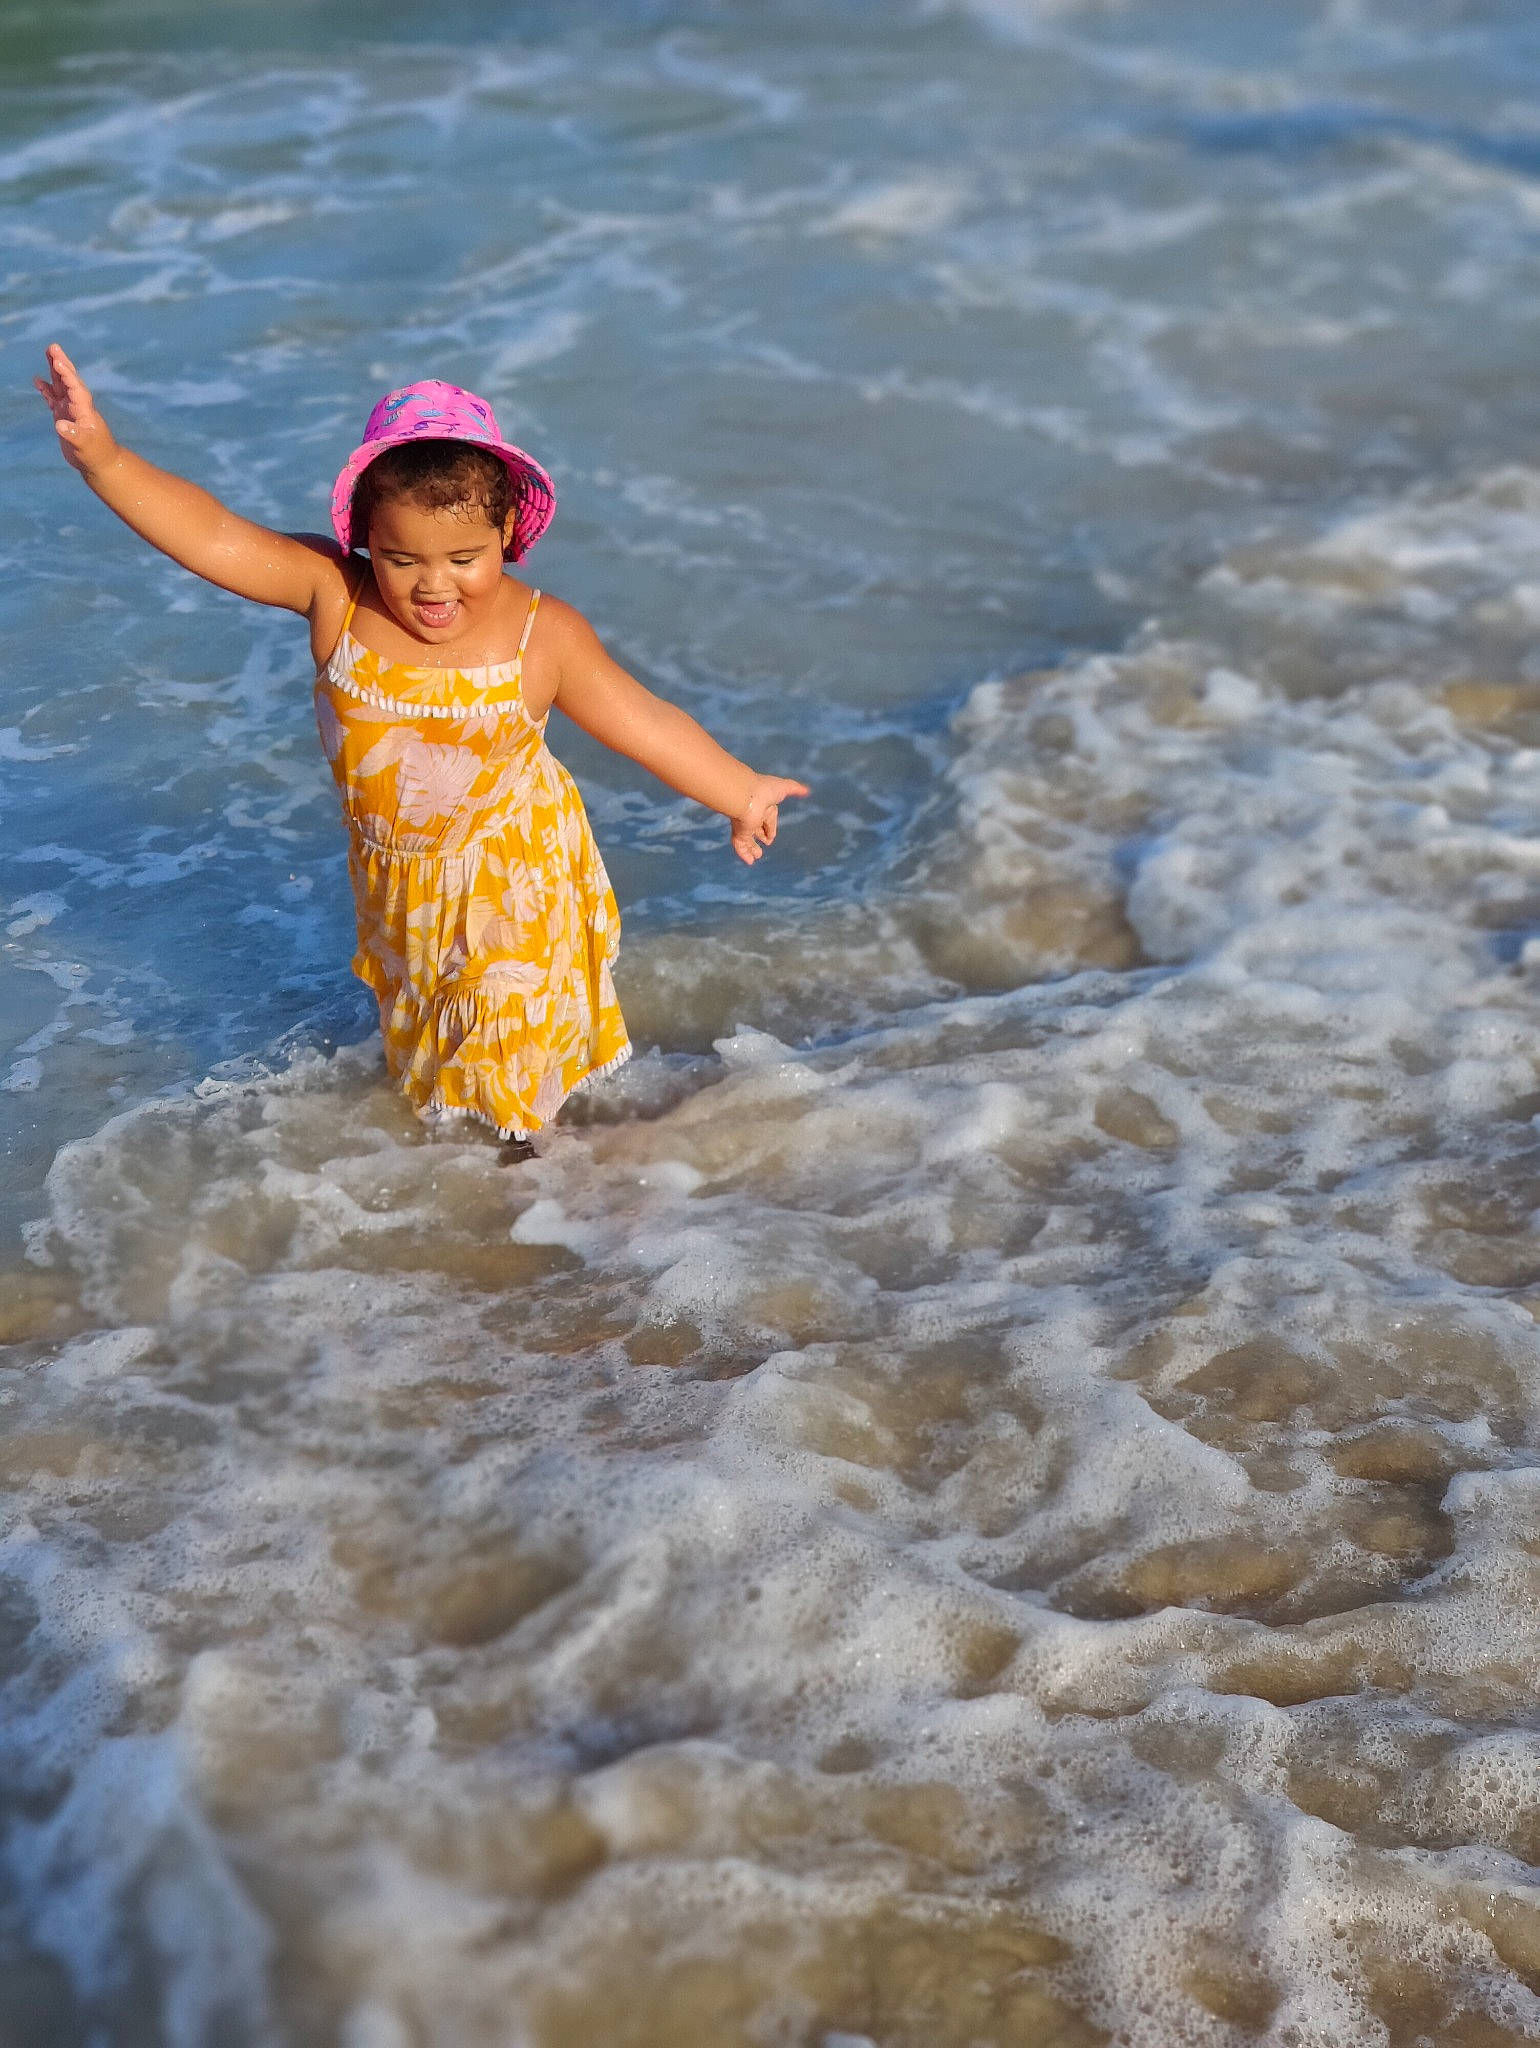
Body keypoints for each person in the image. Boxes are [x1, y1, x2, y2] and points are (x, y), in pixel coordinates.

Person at [35, 345, 807, 1149]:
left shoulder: (544, 635)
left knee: (510, 1068)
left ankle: (548, 1197)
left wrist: (739, 789)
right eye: (402, 559)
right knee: (436, 1061)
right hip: (401, 886)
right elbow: (209, 534)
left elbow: (642, 719)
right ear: (367, 538)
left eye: (464, 559)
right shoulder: (336, 592)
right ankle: (482, 1181)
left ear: (508, 530)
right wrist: (103, 458)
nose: (434, 586)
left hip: (515, 879)